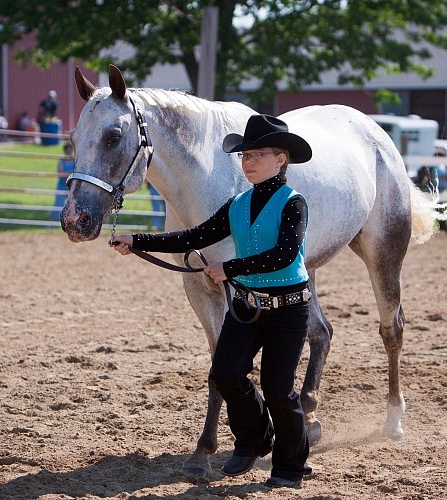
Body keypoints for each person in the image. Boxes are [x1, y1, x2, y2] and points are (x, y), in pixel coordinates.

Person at [111, 114, 313, 489]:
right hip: (247, 306)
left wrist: (229, 267)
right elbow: (195, 235)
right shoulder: (237, 203)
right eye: (245, 155)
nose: (248, 161)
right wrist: (137, 240)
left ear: (281, 159)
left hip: (288, 309)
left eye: (257, 154)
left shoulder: (293, 203)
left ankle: (290, 469)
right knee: (226, 372)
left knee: (278, 389)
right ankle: (255, 438)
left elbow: (284, 255)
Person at [53, 143, 75, 220]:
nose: (69, 151)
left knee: (73, 204)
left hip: (72, 186)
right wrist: (70, 174)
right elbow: (60, 173)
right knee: (58, 203)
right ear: (64, 151)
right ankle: (55, 220)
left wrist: (66, 174)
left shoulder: (75, 161)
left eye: (70, 150)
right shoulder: (61, 161)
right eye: (67, 150)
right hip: (62, 185)